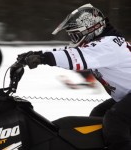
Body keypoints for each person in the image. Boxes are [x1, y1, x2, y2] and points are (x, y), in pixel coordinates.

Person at [12, 3, 131, 150]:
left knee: (116, 119)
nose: (74, 40)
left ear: (92, 29)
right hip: (126, 95)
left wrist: (43, 58)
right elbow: (66, 50)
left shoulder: (108, 46)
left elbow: (76, 57)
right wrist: (36, 53)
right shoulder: (104, 43)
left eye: (75, 35)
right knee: (98, 115)